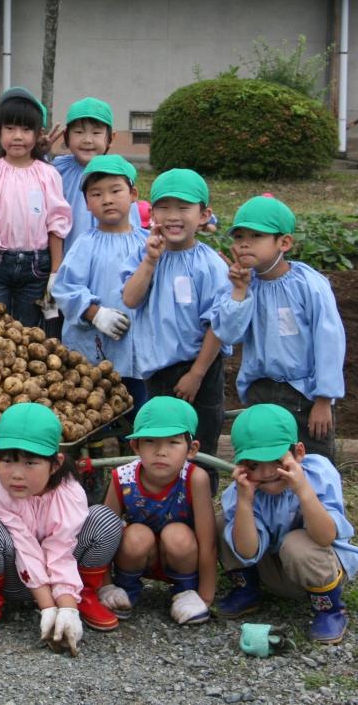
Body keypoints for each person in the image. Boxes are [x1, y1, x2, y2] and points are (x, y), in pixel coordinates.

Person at [0, 404, 124, 650]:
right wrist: (48, 608)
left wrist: (66, 607)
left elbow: (61, 549)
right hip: (14, 578)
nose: (16, 474)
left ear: (55, 464)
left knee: (104, 519)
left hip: (66, 575)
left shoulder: (69, 492)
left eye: (30, 463)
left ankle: (83, 596)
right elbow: (24, 547)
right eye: (6, 460)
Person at [215, 404, 358, 644]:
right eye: (253, 465)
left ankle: (330, 609)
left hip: (320, 563)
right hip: (277, 569)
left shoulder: (319, 474)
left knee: (296, 543)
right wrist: (245, 501)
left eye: (276, 460)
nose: (266, 472)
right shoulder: (241, 491)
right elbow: (247, 551)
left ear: (299, 452)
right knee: (223, 521)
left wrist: (302, 489)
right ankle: (247, 590)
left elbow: (325, 537)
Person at [121, 168, 231, 491]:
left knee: (199, 448)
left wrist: (196, 374)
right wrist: (150, 262)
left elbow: (219, 324)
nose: (173, 216)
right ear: (152, 213)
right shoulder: (144, 254)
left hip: (201, 371)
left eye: (183, 208)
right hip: (158, 372)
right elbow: (130, 297)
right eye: (164, 208)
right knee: (162, 450)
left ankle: (201, 518)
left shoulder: (210, 264)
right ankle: (166, 511)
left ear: (204, 215)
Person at [214, 196, 346, 460]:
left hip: (304, 394)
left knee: (312, 460)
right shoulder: (241, 285)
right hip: (260, 390)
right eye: (238, 236)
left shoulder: (309, 284)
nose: (244, 243)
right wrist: (240, 291)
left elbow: (329, 339)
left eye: (256, 235)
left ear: (283, 243)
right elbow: (228, 334)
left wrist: (324, 399)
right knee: (265, 463)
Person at [98, 397, 216, 625]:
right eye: (150, 441)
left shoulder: (195, 479)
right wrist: (105, 586)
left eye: (173, 442)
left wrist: (206, 596)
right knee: (135, 534)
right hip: (140, 555)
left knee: (178, 534)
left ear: (191, 449)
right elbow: (103, 537)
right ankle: (125, 590)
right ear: (135, 446)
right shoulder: (122, 478)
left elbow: (208, 541)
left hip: (181, 555)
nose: (161, 451)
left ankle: (185, 592)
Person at [51, 155, 149, 418]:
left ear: (133, 194)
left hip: (140, 351)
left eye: (115, 191)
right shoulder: (85, 244)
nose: (107, 199)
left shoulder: (148, 244)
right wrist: (95, 313)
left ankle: (133, 453)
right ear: (86, 203)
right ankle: (93, 457)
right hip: (94, 349)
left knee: (138, 409)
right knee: (93, 410)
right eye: (96, 194)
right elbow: (65, 287)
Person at [0, 87, 72, 327]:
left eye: (26, 129)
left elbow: (57, 224)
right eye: (10, 128)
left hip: (36, 267)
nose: (18, 136)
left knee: (28, 333)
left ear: (38, 135)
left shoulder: (48, 174)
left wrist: (55, 272)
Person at [50, 98, 141, 249]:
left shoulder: (118, 172)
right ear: (66, 136)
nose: (87, 140)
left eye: (96, 132)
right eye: (78, 132)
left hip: (111, 256)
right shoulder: (57, 170)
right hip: (68, 257)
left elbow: (131, 221)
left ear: (111, 138)